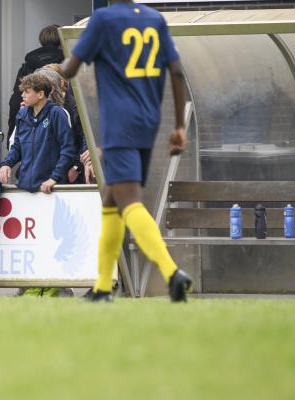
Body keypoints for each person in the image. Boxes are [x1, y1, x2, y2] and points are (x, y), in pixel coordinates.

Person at [60, 0, 192, 302]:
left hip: (119, 124)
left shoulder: (103, 20)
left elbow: (70, 69)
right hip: (148, 121)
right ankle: (103, 287)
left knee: (130, 201)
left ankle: (172, 273)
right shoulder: (154, 19)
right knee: (112, 200)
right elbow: (177, 72)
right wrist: (180, 126)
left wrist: (65, 61)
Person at [0, 72, 75, 194]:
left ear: (40, 94)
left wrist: (54, 178)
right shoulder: (22, 115)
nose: (22, 95)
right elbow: (17, 146)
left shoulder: (57, 113)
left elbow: (68, 150)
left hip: (51, 189)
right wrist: (6, 164)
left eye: (27, 92)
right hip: (24, 188)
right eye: (23, 91)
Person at [7, 24, 64, 147]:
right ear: (61, 40)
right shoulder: (67, 63)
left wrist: (11, 133)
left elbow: (16, 98)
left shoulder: (28, 65)